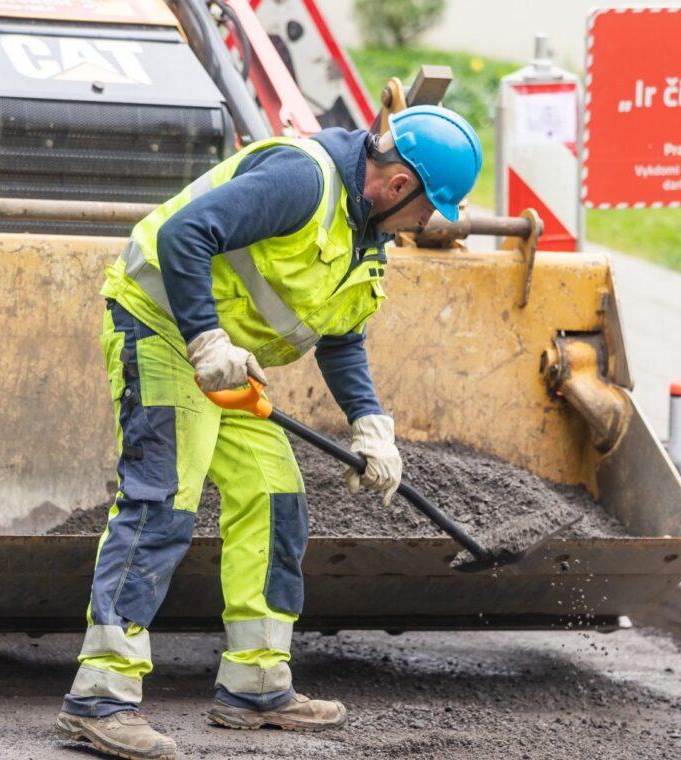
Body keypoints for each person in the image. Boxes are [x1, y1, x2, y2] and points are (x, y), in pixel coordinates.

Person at [53, 105, 482, 760]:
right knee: (163, 501)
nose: (430, 223)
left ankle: (255, 685)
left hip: (228, 363)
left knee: (276, 495)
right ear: (399, 187)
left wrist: (371, 424)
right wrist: (205, 339)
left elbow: (340, 337)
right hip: (166, 328)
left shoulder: (368, 233)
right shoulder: (303, 181)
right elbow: (184, 236)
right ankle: (100, 698)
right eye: (430, 208)